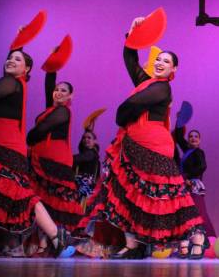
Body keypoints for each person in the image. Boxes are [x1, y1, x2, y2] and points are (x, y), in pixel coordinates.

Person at [81, 17, 205, 259]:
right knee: (130, 195)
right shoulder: (147, 83)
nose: (160, 63)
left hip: (154, 146)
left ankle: (197, 238)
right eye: (158, 59)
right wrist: (133, 32)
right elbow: (130, 59)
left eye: (166, 61)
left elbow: (131, 105)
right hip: (134, 144)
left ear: (173, 70)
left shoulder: (162, 88)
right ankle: (133, 244)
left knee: (169, 196)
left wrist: (120, 115)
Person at [0, 49, 69, 258]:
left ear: (26, 69)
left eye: (17, 59)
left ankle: (56, 234)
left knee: (21, 195)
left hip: (3, 147)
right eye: (9, 58)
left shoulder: (12, 82)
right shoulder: (13, 84)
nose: (10, 60)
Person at [25, 70, 85, 254]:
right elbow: (48, 87)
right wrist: (52, 68)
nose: (58, 92)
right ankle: (45, 244)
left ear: (71, 96)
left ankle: (62, 241)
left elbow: (41, 130)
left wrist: (30, 137)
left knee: (53, 202)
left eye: (63, 90)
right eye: (56, 89)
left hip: (54, 161)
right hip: (42, 158)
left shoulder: (62, 111)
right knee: (44, 201)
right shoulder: (51, 109)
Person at [173, 125, 216, 238]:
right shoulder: (188, 151)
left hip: (193, 185)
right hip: (185, 184)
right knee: (187, 212)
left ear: (199, 140)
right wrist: (180, 122)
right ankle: (190, 238)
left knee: (198, 211)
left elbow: (202, 167)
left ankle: (209, 238)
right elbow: (179, 138)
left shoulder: (198, 152)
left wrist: (187, 177)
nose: (193, 138)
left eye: (196, 136)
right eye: (191, 136)